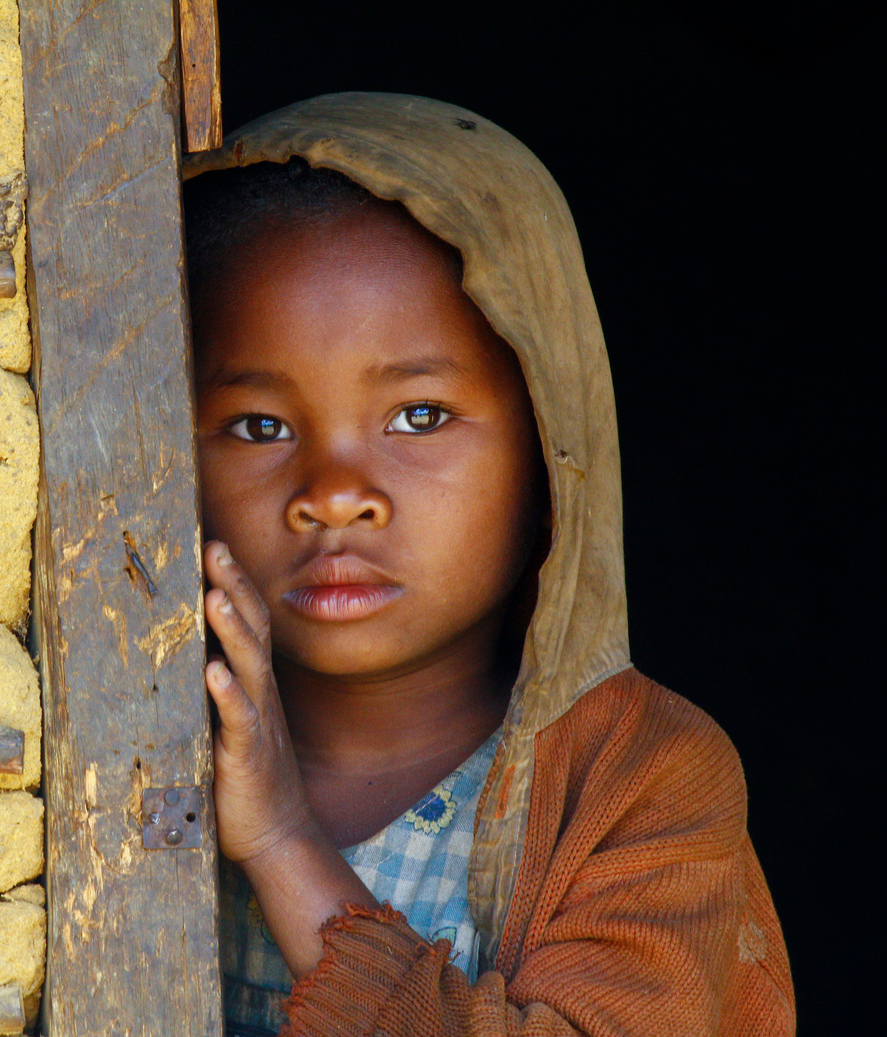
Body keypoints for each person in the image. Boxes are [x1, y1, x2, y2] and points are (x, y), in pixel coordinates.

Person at [183, 94, 794, 1036]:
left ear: (552, 450)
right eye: (260, 426)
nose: (335, 492)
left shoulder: (641, 780)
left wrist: (279, 841)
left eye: (419, 415)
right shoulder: (130, 740)